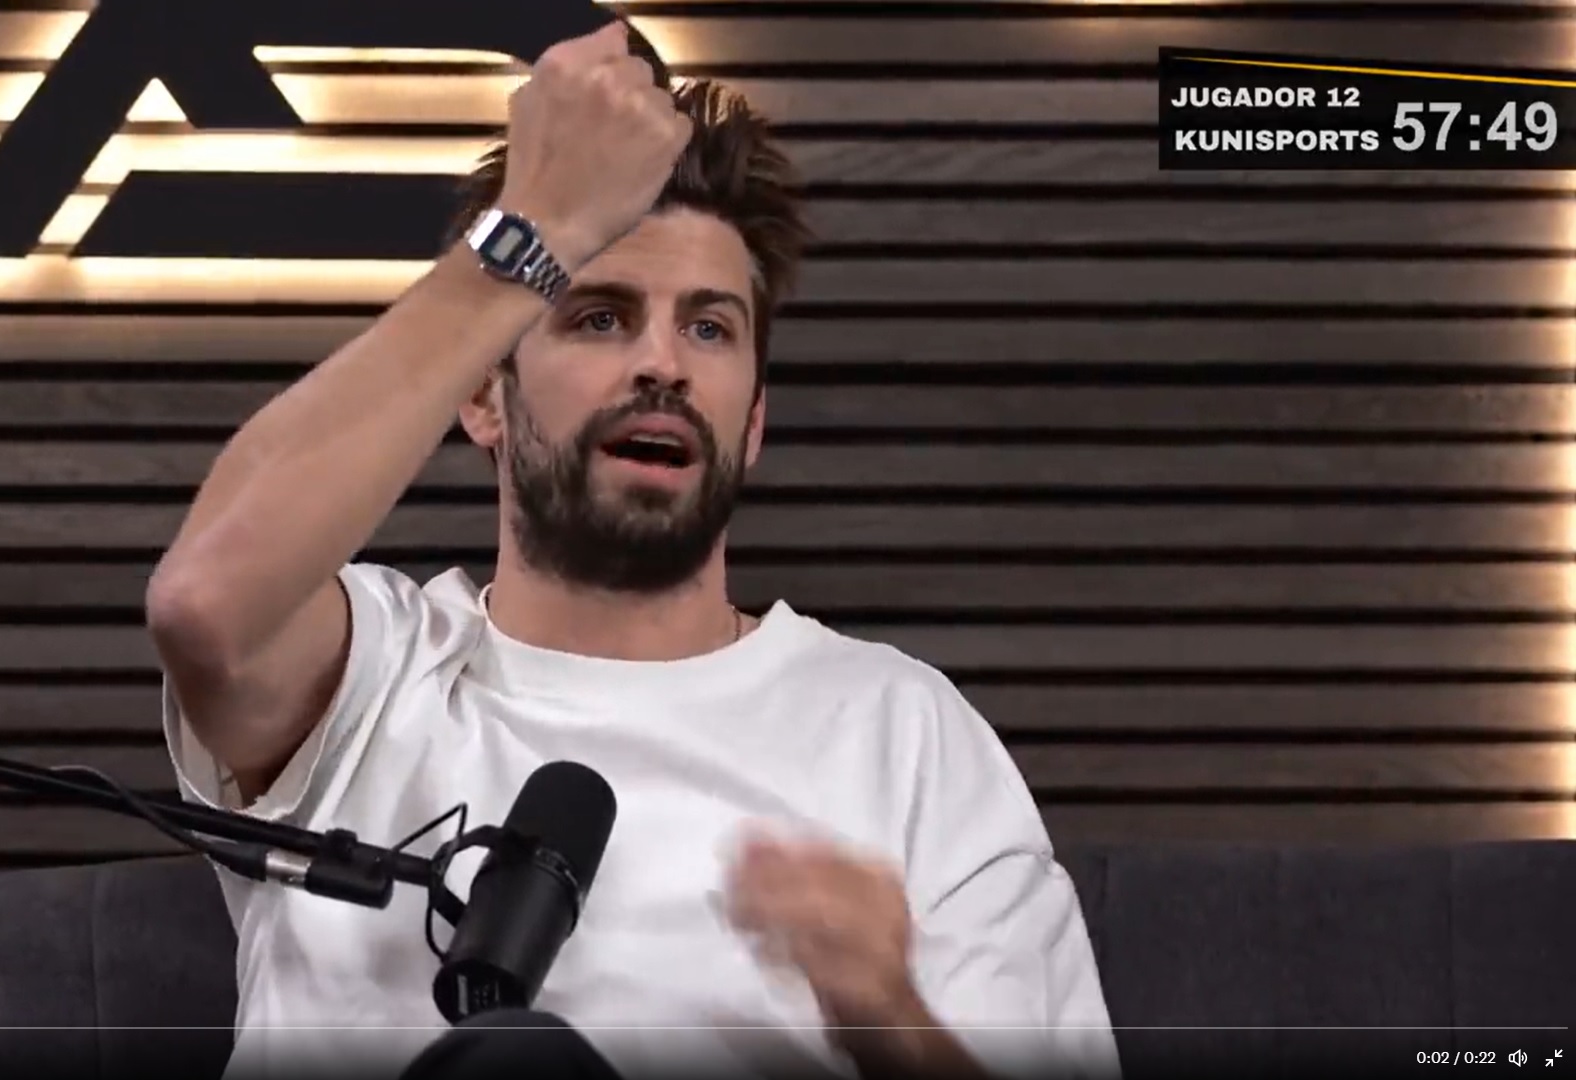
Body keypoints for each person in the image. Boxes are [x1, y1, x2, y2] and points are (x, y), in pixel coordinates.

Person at [145, 21, 1121, 1080]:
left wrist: (886, 1016)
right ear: (481, 395)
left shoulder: (903, 732)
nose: (663, 363)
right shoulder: (372, 675)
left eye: (709, 329)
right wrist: (538, 230)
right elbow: (205, 604)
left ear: (753, 420)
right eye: (600, 318)